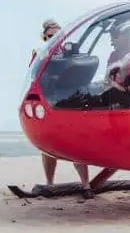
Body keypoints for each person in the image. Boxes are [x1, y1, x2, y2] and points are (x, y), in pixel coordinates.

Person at [35, 19, 94, 199]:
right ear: (44, 37)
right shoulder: (40, 55)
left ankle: (86, 185)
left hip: (70, 104)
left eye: (59, 37)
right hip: (51, 105)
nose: (55, 40)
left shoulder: (71, 54)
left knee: (77, 145)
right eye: (51, 37)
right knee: (48, 147)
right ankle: (50, 184)